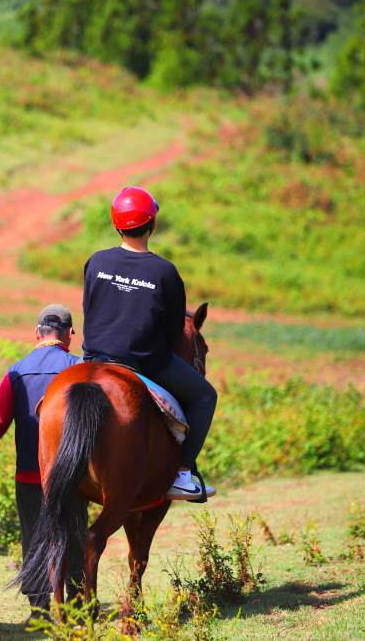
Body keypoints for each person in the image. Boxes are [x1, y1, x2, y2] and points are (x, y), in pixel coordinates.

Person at [81, 187, 217, 500]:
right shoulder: (165, 272)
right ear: (152, 225)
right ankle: (182, 474)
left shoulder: (96, 261)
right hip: (144, 361)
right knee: (206, 396)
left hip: (93, 359)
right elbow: (172, 331)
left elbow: (91, 308)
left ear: (116, 225)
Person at [0, 304, 87, 621]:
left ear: (37, 333)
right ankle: (77, 609)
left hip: (29, 473)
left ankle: (39, 611)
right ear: (68, 335)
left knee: (35, 538)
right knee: (75, 534)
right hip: (73, 474)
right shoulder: (79, 369)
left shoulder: (17, 371)